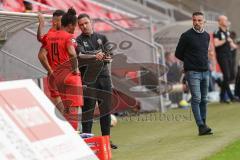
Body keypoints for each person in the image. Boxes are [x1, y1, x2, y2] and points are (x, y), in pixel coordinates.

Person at [76, 13, 118, 149]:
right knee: (88, 111)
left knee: (105, 111)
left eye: (86, 23)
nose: (84, 26)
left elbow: (110, 55)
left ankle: (106, 141)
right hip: (89, 80)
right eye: (81, 25)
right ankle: (88, 143)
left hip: (104, 78)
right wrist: (96, 55)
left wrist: (107, 57)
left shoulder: (102, 37)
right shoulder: (79, 40)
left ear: (91, 22)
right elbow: (80, 56)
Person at [39, 8, 83, 130]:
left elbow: (40, 40)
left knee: (64, 110)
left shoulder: (49, 36)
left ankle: (67, 131)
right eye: (75, 26)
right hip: (69, 75)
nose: (75, 29)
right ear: (70, 25)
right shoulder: (69, 37)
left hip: (56, 77)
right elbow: (73, 54)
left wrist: (41, 24)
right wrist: (75, 69)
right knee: (72, 110)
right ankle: (74, 134)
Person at [175, 11, 213, 136]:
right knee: (196, 98)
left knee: (204, 99)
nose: (196, 22)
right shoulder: (186, 35)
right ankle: (200, 125)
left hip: (205, 71)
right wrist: (190, 63)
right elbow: (178, 54)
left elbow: (204, 53)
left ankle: (204, 125)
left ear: (204, 22)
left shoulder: (207, 36)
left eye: (199, 20)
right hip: (192, 72)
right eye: (194, 20)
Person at [37, 10, 65, 110]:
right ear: (55, 22)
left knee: (65, 108)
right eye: (63, 21)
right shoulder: (53, 35)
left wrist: (41, 24)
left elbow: (40, 38)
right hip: (58, 75)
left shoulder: (56, 34)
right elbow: (41, 55)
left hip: (62, 74)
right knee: (64, 108)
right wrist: (51, 71)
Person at [213, 15, 238, 103]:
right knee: (227, 75)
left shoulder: (227, 32)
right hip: (221, 56)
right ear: (220, 22)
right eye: (225, 20)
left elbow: (231, 44)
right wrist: (225, 40)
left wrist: (236, 46)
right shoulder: (217, 32)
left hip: (228, 55)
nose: (227, 22)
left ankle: (221, 96)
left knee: (231, 76)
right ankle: (231, 97)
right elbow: (216, 44)